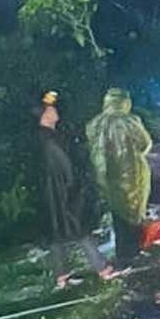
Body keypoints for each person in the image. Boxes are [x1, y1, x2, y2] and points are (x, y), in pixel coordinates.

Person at [36, 93, 114, 288]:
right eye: (51, 109)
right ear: (44, 115)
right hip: (63, 193)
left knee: (58, 232)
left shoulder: (44, 137)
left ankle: (61, 276)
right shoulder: (49, 140)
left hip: (52, 194)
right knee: (78, 227)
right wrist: (76, 186)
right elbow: (66, 167)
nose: (55, 111)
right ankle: (103, 268)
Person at [86, 88, 152, 268]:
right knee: (134, 212)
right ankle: (134, 252)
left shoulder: (95, 123)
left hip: (106, 177)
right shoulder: (129, 121)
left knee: (117, 213)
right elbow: (145, 143)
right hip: (132, 176)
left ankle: (122, 253)